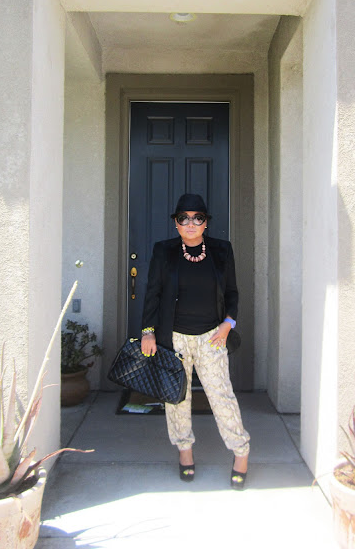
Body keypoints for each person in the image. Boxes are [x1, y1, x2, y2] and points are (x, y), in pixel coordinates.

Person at [141, 193, 250, 489]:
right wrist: (148, 331)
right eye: (184, 218)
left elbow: (232, 292)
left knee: (221, 396)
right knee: (176, 399)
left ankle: (241, 452)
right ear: (176, 224)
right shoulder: (164, 251)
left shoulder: (221, 250)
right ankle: (185, 451)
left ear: (206, 223)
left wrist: (228, 324)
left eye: (197, 218)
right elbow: (153, 293)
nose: (191, 223)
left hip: (212, 337)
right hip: (174, 339)